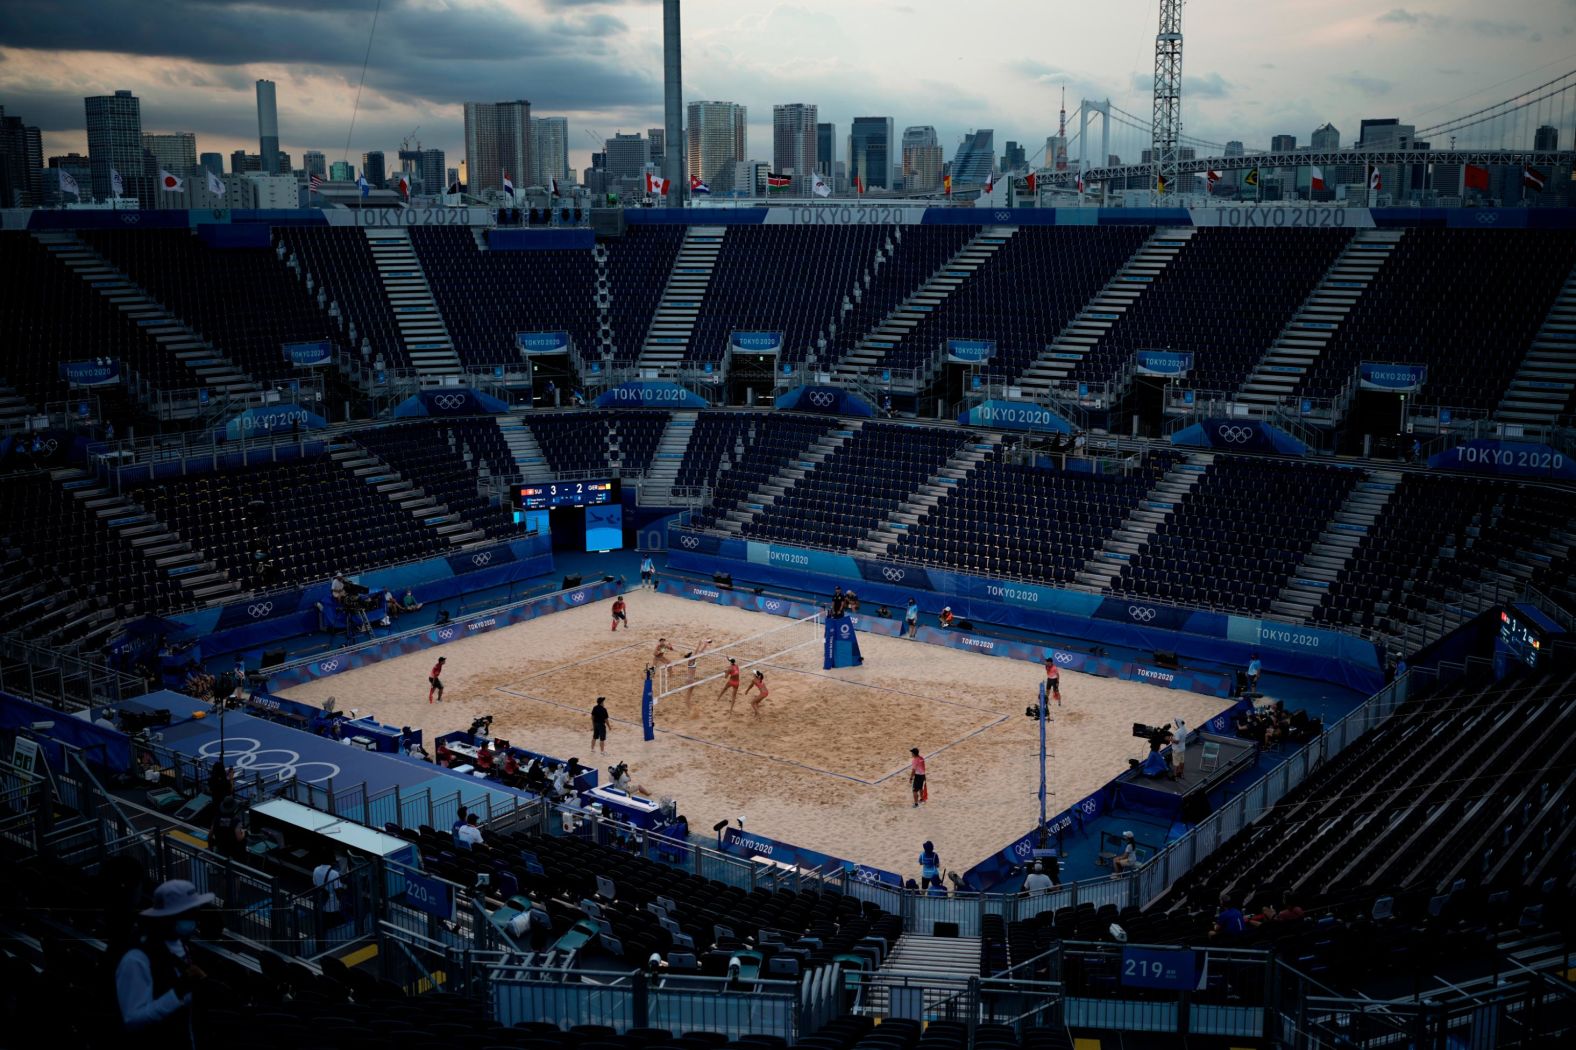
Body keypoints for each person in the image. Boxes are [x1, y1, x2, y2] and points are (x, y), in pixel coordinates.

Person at [116, 879, 214, 1048]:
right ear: (168, 918)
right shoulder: (137, 958)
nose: (194, 920)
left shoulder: (180, 943)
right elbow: (132, 1020)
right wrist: (178, 993)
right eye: (189, 914)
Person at [313, 853, 344, 937]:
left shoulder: (316, 870)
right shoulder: (334, 873)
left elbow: (315, 885)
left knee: (324, 924)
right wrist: (341, 902)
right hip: (333, 905)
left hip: (322, 902)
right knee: (333, 925)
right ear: (331, 861)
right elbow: (338, 890)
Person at [208, 796, 247, 860]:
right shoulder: (236, 821)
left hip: (220, 849)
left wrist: (210, 848)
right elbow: (239, 838)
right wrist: (243, 832)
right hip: (233, 852)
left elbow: (210, 835)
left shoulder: (216, 819)